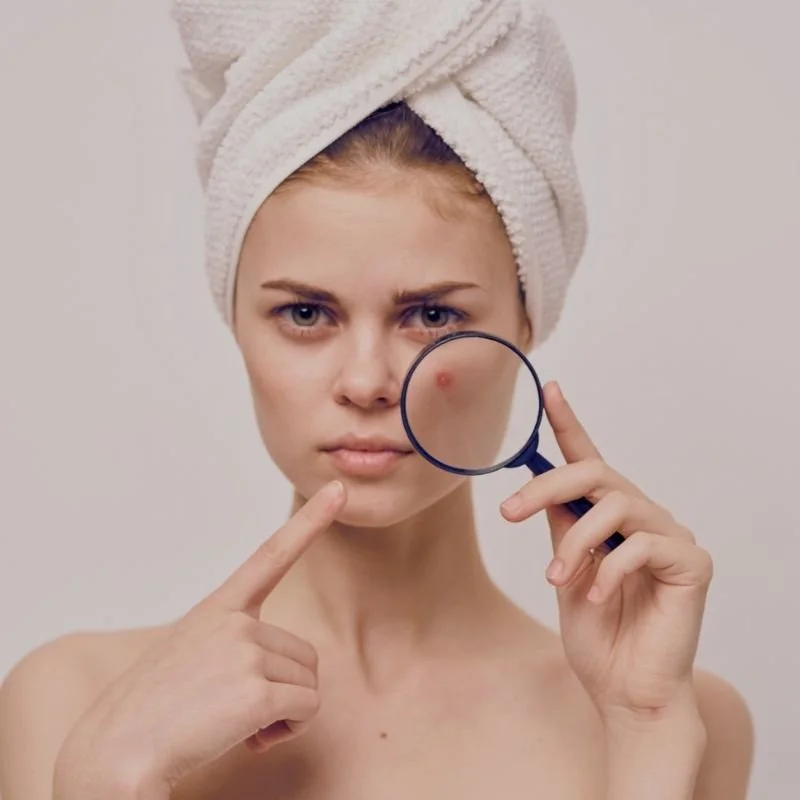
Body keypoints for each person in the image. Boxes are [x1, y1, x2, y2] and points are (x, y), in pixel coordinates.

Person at [0, 2, 754, 799]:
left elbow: (657, 726)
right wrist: (109, 777)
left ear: (527, 320)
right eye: (305, 314)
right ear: (235, 319)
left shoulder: (672, 713)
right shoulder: (75, 702)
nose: (365, 382)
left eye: (432, 316)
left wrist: (645, 729)